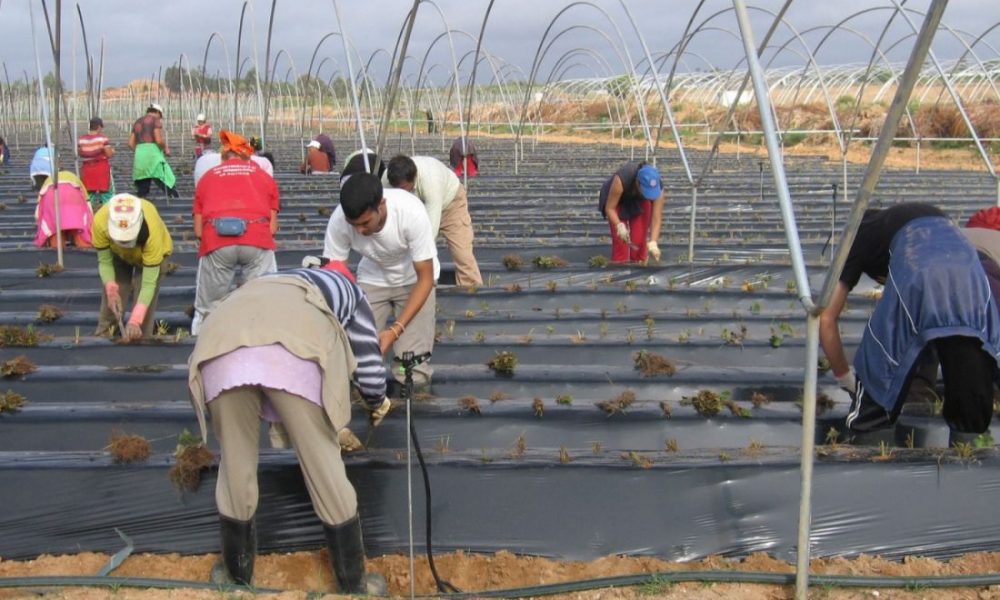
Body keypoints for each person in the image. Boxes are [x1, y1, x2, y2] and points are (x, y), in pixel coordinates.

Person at [187, 263, 390, 593]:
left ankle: (236, 579)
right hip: (292, 352)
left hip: (220, 347)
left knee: (235, 464)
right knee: (323, 465)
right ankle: (355, 585)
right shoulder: (351, 292)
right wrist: (376, 400)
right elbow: (369, 367)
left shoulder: (264, 282)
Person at [820, 202, 1000, 446]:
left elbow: (826, 317)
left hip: (919, 271)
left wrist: (845, 377)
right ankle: (967, 455)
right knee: (969, 370)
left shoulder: (857, 236)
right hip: (971, 280)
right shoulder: (928, 217)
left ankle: (868, 443)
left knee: (881, 372)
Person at [321, 172, 438, 387]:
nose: (359, 230)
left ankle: (412, 402)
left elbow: (426, 279)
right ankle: (368, 400)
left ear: (381, 205)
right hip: (372, 278)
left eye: (365, 223)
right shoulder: (339, 220)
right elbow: (334, 274)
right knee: (357, 357)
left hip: (413, 280)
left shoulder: (410, 213)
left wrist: (395, 330)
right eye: (353, 224)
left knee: (411, 365)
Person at [191, 131, 280, 334]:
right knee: (261, 302)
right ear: (248, 156)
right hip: (257, 239)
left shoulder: (208, 177)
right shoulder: (264, 177)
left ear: (223, 156)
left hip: (217, 240)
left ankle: (202, 344)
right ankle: (259, 341)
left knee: (209, 307)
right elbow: (272, 228)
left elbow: (198, 230)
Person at [385, 154, 483, 287]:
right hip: (413, 210)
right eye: (396, 189)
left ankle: (472, 292)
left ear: (413, 179)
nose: (400, 192)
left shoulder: (430, 182)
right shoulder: (386, 181)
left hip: (450, 204)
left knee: (462, 254)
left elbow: (429, 234)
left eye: (403, 188)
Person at [91, 193, 173, 341]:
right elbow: (105, 261)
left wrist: (136, 319)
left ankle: (140, 345)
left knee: (142, 313)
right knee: (114, 299)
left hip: (150, 257)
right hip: (117, 255)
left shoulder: (151, 231)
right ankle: (105, 336)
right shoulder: (100, 221)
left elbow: (148, 284)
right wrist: (110, 288)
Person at [598, 161, 665, 264]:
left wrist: (653, 242)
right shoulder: (622, 179)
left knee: (639, 240)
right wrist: (619, 225)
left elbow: (656, 218)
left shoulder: (658, 187)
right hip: (617, 201)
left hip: (639, 200)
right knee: (621, 241)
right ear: (637, 183)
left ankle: (639, 264)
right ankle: (620, 269)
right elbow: (610, 208)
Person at [129, 103, 178, 199]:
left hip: (140, 155)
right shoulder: (155, 121)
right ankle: (175, 198)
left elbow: (130, 143)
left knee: (143, 185)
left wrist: (140, 151)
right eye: (160, 116)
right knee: (165, 178)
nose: (160, 119)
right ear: (157, 112)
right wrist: (166, 148)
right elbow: (159, 140)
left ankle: (142, 207)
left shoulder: (138, 121)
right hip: (153, 155)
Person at [34, 170, 93, 248]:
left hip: (52, 199)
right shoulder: (73, 177)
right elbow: (87, 200)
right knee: (78, 225)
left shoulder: (49, 180)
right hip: (73, 198)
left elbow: (40, 203)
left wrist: (39, 221)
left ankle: (56, 248)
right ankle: (84, 247)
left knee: (55, 227)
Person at [77, 117, 116, 208]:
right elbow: (109, 154)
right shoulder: (102, 139)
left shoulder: (81, 139)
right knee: (107, 194)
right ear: (99, 127)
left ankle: (90, 214)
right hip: (101, 170)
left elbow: (80, 153)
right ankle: (105, 214)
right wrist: (113, 151)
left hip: (87, 170)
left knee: (89, 195)